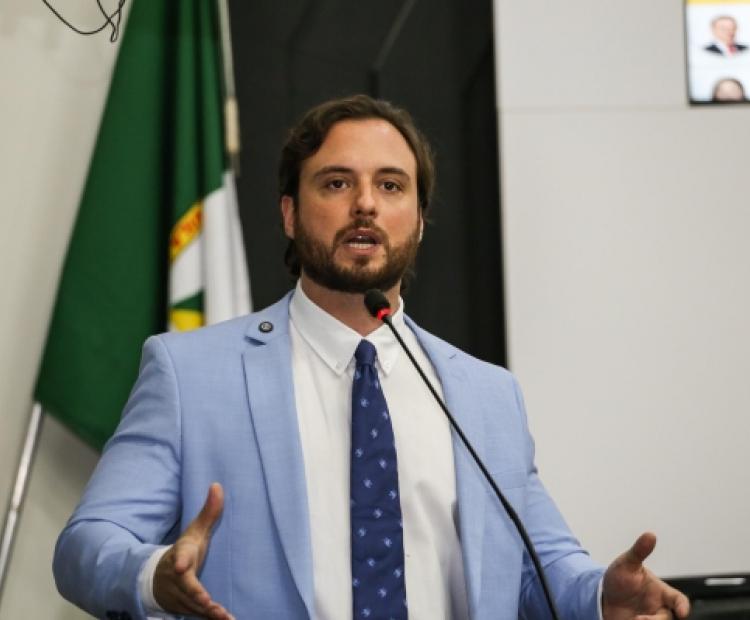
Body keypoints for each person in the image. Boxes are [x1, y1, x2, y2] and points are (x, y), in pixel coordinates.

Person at [53, 95, 690, 620]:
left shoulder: (487, 395)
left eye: (390, 185)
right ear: (289, 213)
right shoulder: (190, 374)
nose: (365, 203)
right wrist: (152, 575)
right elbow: (85, 545)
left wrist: (600, 597)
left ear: (419, 220)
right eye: (337, 183)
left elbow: (537, 569)